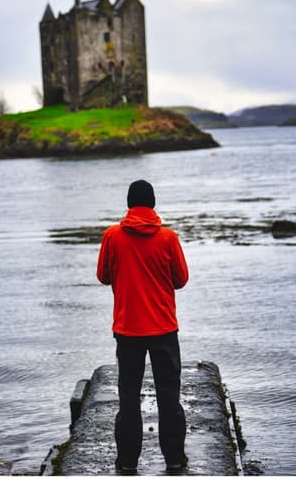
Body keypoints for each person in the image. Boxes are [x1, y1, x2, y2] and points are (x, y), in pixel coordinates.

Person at [97, 180, 190, 474]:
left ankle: (127, 463)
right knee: (168, 397)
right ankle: (174, 459)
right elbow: (181, 280)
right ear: (152, 204)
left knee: (128, 397)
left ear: (128, 204)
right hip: (163, 328)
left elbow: (103, 276)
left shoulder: (112, 236)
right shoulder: (168, 238)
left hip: (127, 330)